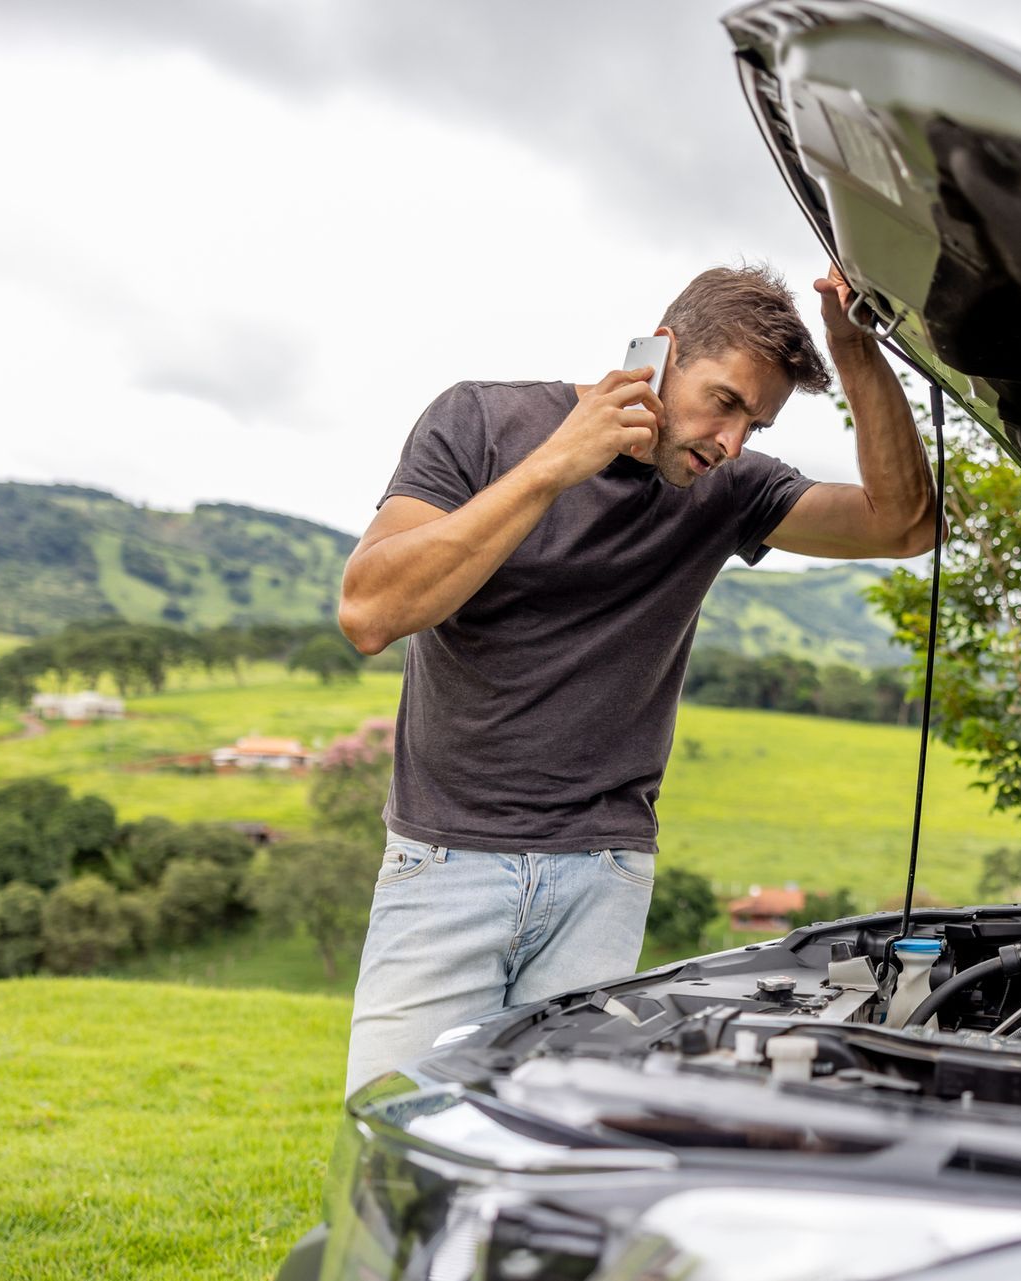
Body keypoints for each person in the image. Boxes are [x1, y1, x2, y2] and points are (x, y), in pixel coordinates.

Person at [336, 262, 935, 1094]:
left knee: (559, 1152)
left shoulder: (727, 490)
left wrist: (856, 351)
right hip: (445, 863)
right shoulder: (479, 420)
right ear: (658, 353)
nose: (731, 443)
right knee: (397, 1123)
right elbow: (371, 610)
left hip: (604, 875)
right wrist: (554, 465)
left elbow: (903, 525)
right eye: (724, 401)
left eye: (755, 425)